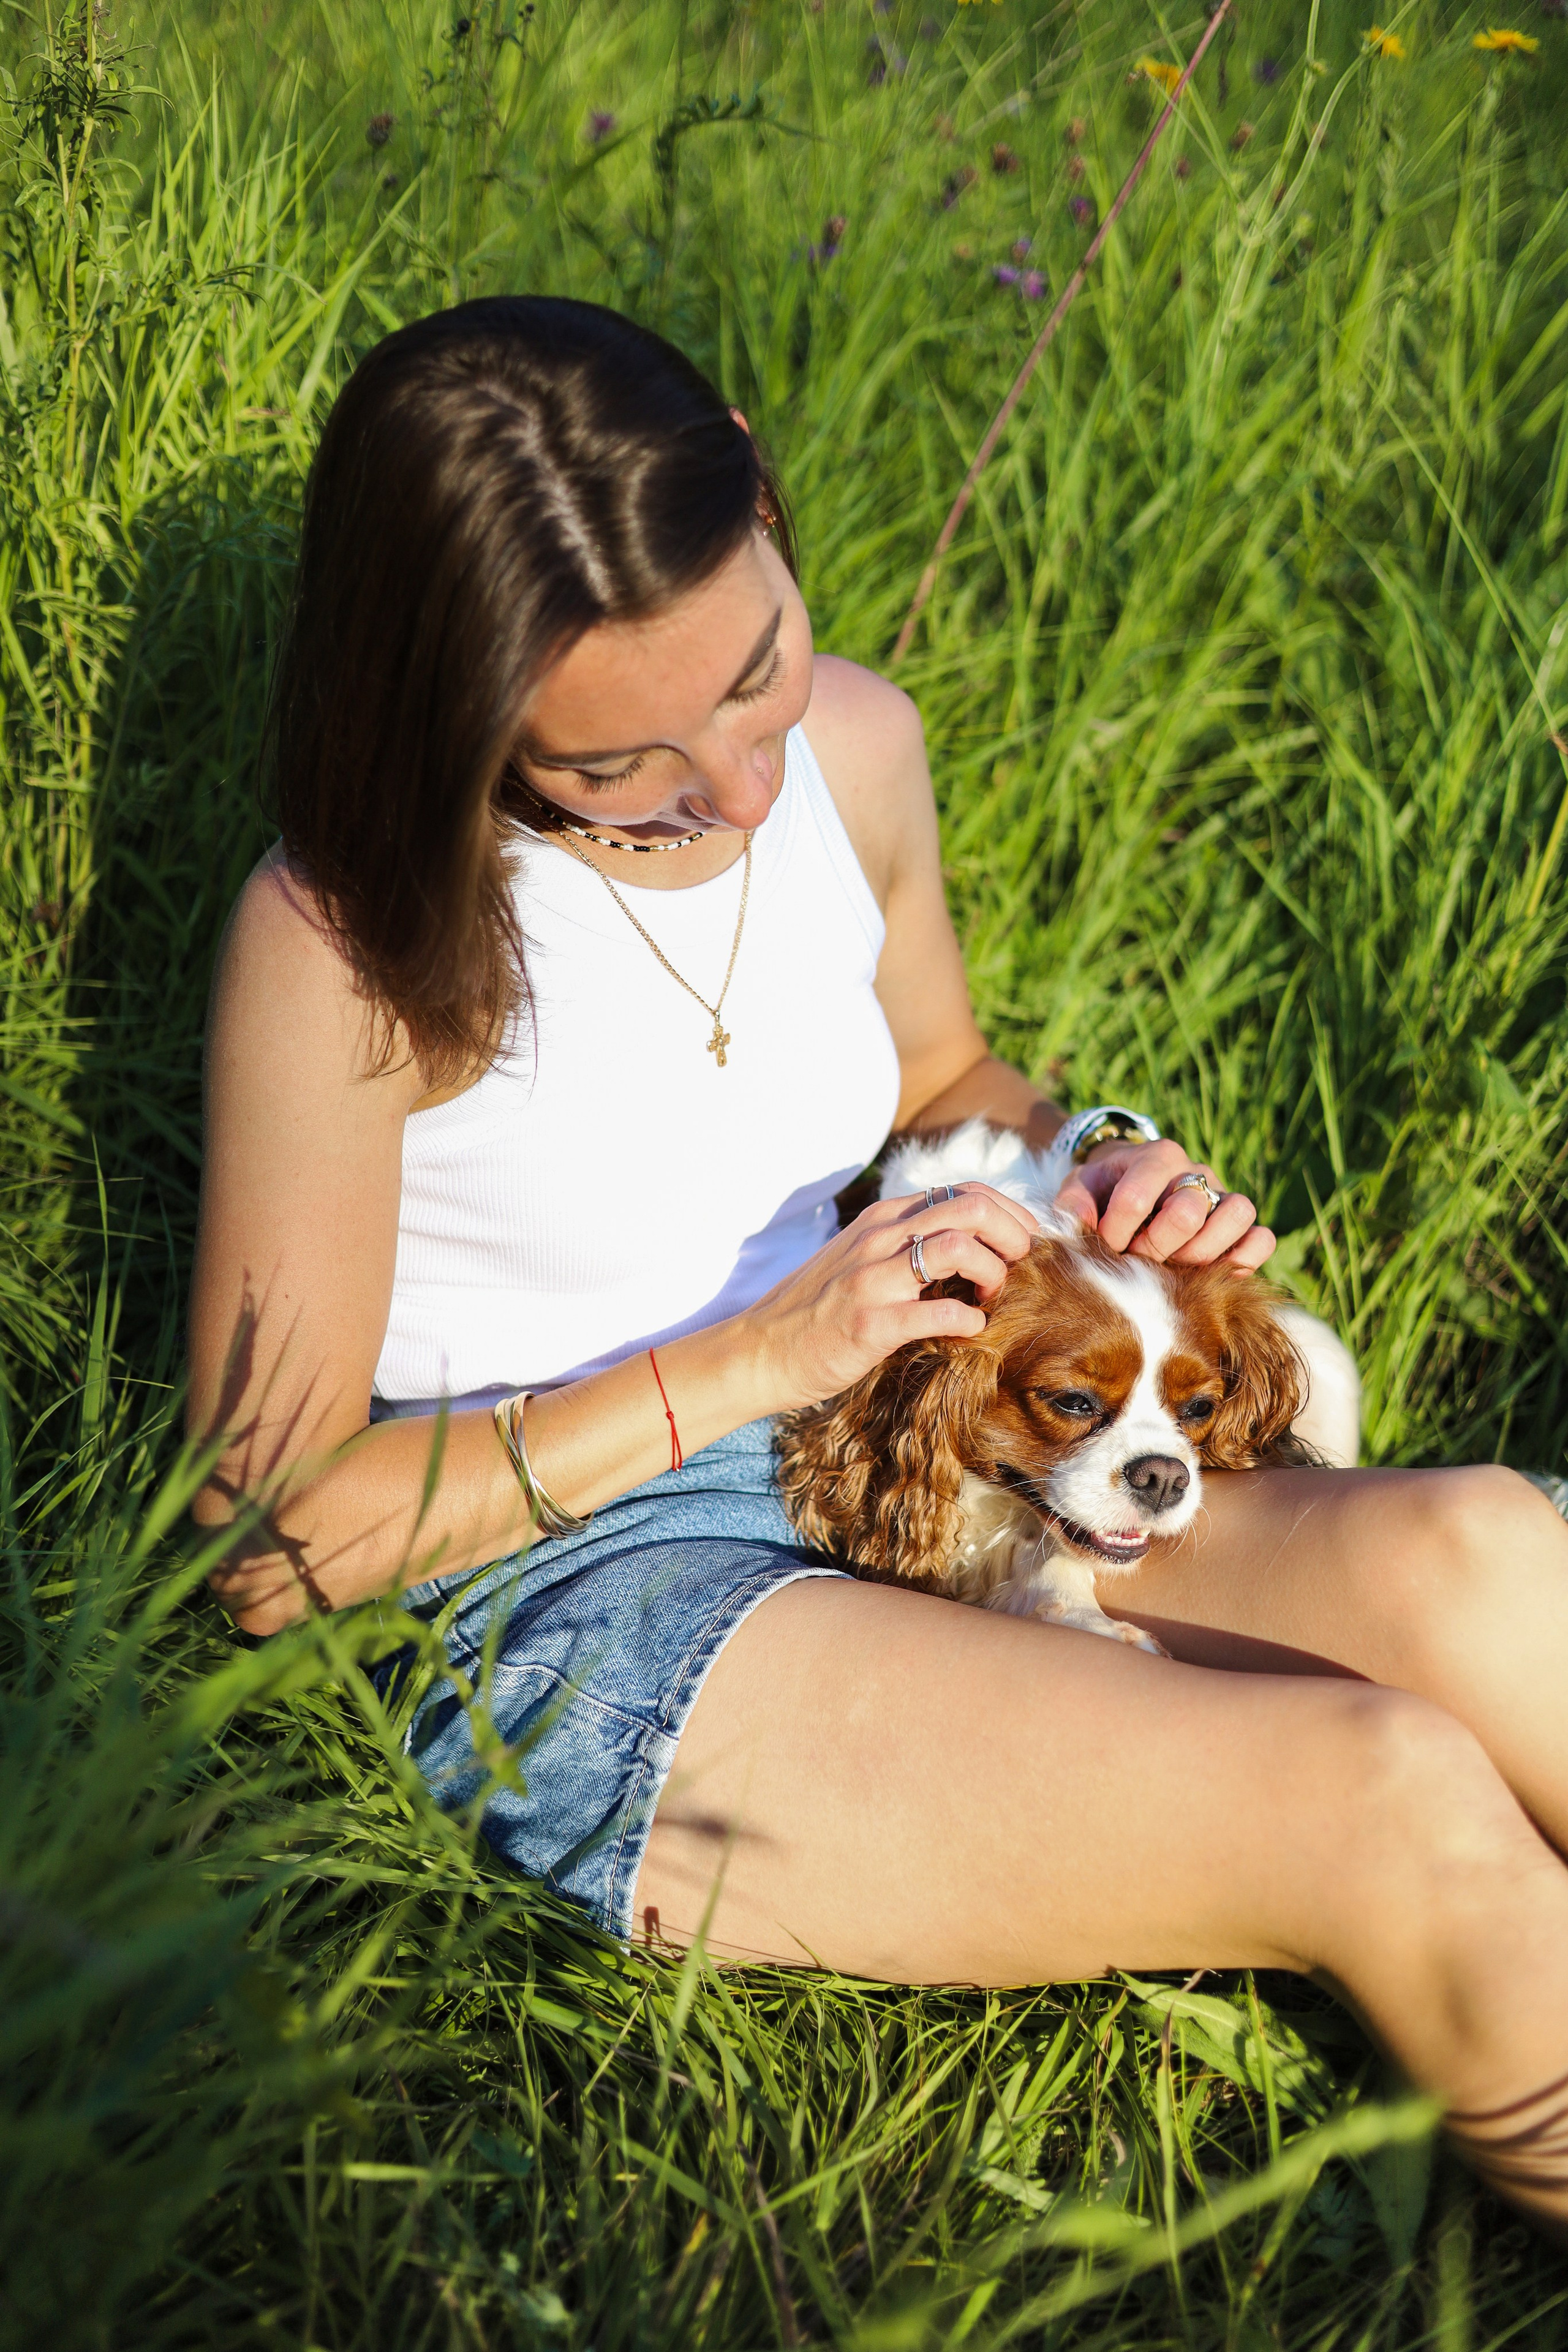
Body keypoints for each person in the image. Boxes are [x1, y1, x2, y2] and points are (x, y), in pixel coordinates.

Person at [190, 295, 1568, 2231]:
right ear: (451, 718)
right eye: (624, 774)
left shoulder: (856, 746)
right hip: (585, 1580)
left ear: (758, 484)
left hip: (907, 1416)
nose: (741, 794)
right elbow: (267, 1545)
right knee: (1386, 1792)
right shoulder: (344, 945)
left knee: (1477, 1557)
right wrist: (753, 1362)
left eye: (755, 673)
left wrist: (1104, 1160)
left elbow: (944, 1073)